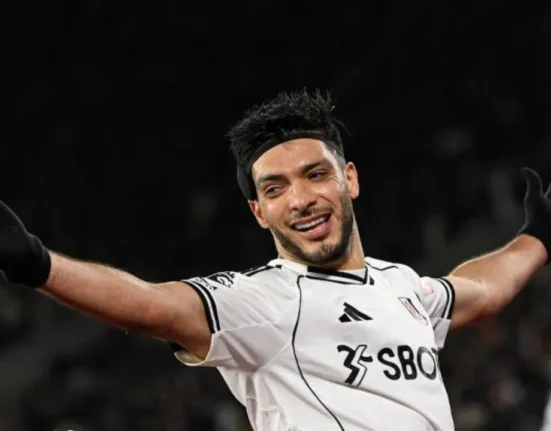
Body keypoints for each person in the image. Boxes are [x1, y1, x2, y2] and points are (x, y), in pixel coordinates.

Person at [0, 90, 549, 431]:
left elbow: (480, 290)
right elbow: (152, 305)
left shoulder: (400, 285)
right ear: (259, 212)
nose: (300, 199)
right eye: (275, 188)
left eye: (315, 174)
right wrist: (38, 265)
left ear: (350, 179)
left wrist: (538, 240)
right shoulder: (264, 299)